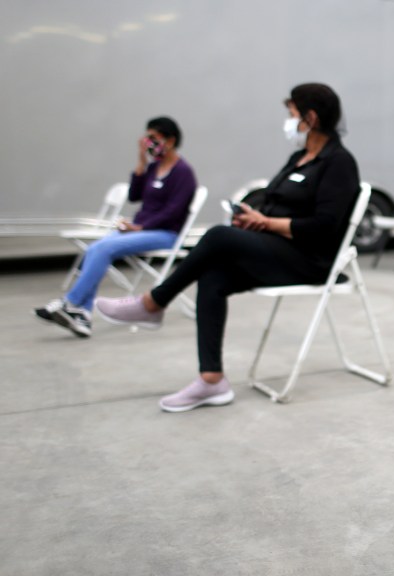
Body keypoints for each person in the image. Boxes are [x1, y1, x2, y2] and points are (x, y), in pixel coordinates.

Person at [94, 83, 361, 413]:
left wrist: (265, 223)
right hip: (276, 248)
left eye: (291, 114)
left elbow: (324, 228)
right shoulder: (299, 157)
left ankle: (153, 303)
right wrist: (253, 217)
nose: (288, 121)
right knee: (214, 275)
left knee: (218, 236)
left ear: (311, 117)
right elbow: (273, 200)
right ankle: (211, 381)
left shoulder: (339, 163)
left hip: (310, 260)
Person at [34, 116, 197, 338]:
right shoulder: (153, 167)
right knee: (94, 248)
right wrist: (141, 162)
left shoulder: (183, 173)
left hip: (164, 234)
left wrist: (141, 228)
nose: (149, 143)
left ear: (170, 140)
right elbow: (134, 196)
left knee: (103, 249)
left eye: (153, 138)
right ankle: (82, 314)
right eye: (146, 138)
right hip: (141, 228)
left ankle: (71, 303)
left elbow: (174, 211)